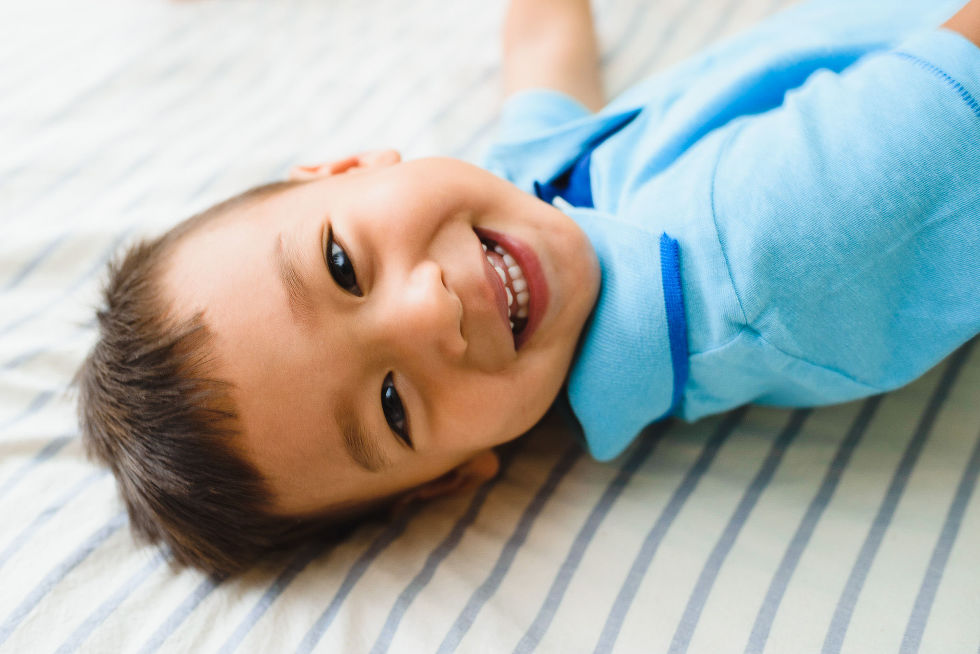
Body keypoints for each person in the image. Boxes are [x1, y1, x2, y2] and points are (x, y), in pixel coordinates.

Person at [76, 0, 980, 576]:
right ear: (453, 478)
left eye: (343, 268)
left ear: (345, 166)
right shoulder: (755, 252)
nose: (429, 308)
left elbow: (545, 45)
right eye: (393, 408)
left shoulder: (526, 192)